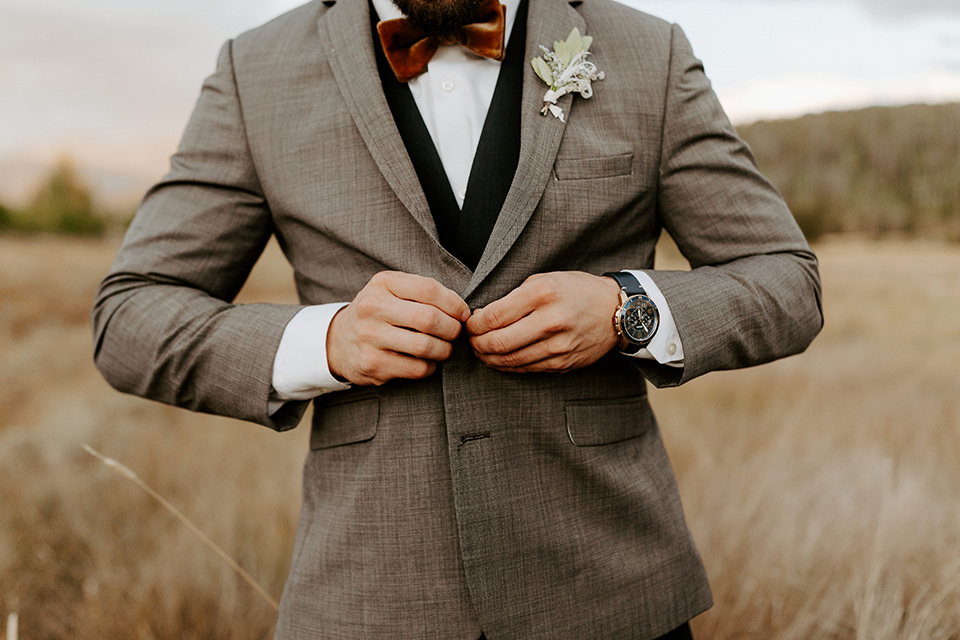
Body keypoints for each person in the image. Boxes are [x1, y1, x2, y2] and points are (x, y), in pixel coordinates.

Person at [91, 0, 823, 636]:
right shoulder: (257, 72)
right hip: (368, 604)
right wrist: (327, 340)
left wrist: (624, 311)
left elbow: (787, 282)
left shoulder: (648, 51)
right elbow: (129, 316)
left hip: (614, 598)